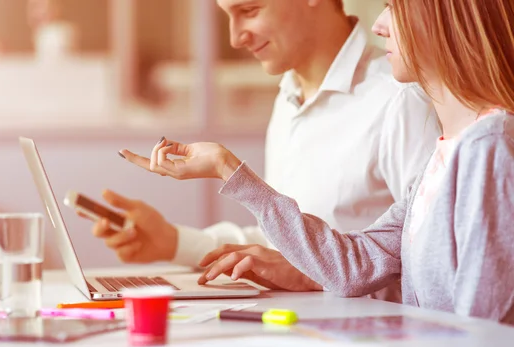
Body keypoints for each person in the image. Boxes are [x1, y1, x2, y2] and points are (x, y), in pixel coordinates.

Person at [123, 0, 514, 324]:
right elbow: (355, 265)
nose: (378, 25)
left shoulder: (483, 142)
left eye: (393, 6)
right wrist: (229, 170)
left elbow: (483, 327)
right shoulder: (444, 153)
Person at [93, 0, 439, 298]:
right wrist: (172, 241)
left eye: (250, 10)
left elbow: (430, 270)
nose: (235, 37)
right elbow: (282, 242)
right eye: (228, 15)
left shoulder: (399, 99)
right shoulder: (288, 97)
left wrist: (316, 275)